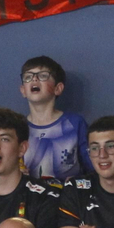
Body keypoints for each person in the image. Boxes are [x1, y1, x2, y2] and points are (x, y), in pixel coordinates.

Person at [21, 56, 89, 184]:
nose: (34, 79)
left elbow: (92, 167)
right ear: (23, 90)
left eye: (43, 75)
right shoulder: (17, 127)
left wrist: (79, 182)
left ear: (58, 88)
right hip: (30, 200)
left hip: (67, 200)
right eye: (28, 77)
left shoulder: (75, 123)